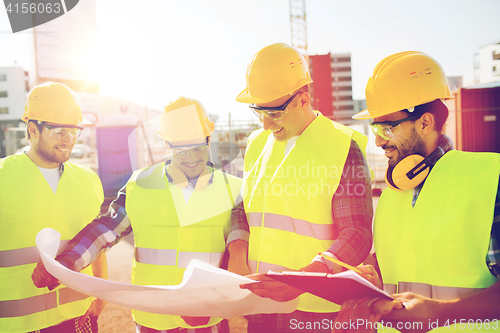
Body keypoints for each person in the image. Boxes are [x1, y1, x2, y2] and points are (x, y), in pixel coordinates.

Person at [32, 97, 242, 333]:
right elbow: (105, 231)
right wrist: (66, 262)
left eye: (197, 147)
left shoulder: (232, 190)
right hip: (152, 321)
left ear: (208, 138)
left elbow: (240, 259)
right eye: (181, 149)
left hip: (207, 321)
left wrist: (218, 301)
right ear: (166, 145)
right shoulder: (140, 185)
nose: (191, 157)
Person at [334, 51, 500, 332]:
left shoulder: (489, 178)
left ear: (425, 123)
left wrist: (439, 312)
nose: (377, 141)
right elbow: (404, 261)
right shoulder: (393, 191)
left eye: (386, 128)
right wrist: (372, 277)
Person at [226, 43, 374, 333]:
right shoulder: (256, 144)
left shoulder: (343, 147)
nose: (266, 124)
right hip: (260, 305)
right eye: (259, 112)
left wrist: (303, 279)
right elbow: (242, 208)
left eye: (275, 113)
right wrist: (237, 258)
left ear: (302, 99)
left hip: (316, 311)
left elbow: (357, 234)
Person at [0, 82, 107, 332]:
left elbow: (98, 244)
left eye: (74, 131)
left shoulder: (88, 180)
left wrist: (100, 296)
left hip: (77, 316)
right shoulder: (3, 177)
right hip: (18, 323)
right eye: (59, 131)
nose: (68, 140)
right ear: (32, 130)